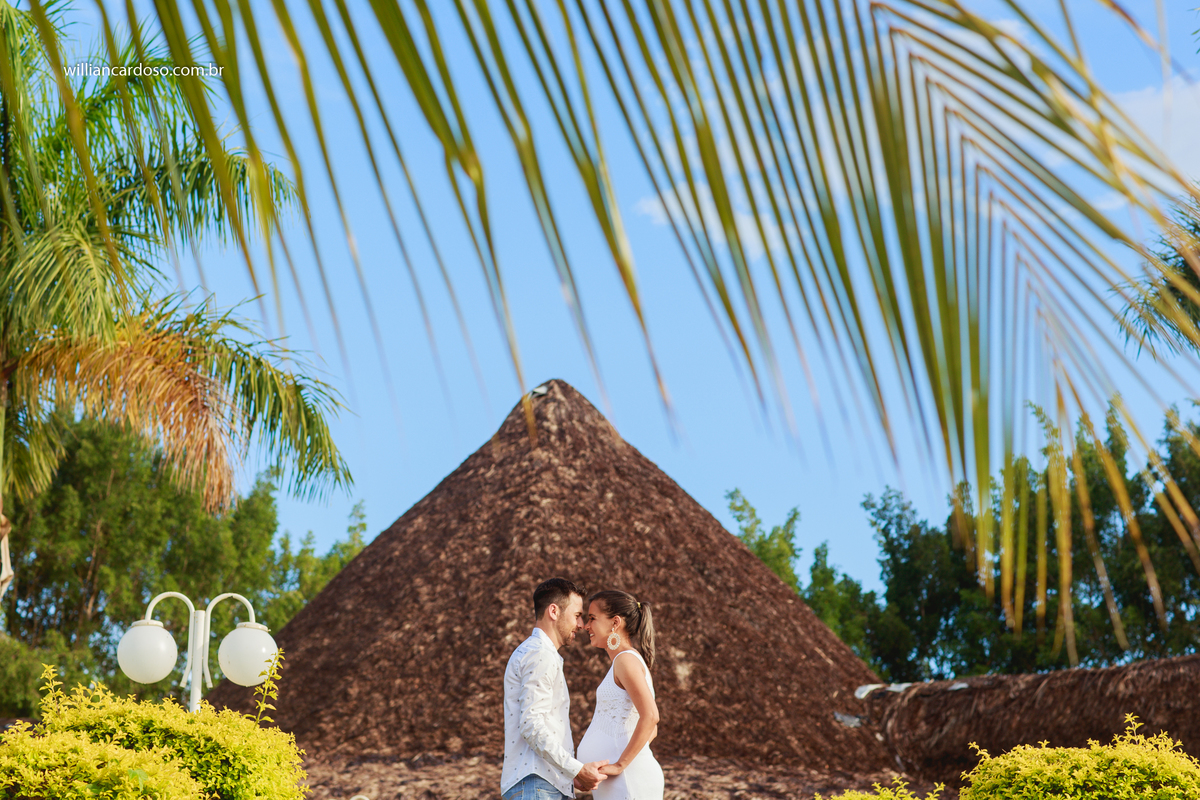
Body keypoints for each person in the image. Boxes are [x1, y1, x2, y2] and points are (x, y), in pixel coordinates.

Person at [502, 578, 610, 800]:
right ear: (554, 611)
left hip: (540, 784)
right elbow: (532, 725)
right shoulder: (540, 654)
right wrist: (576, 769)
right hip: (536, 785)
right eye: (577, 615)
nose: (581, 625)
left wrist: (570, 774)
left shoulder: (535, 652)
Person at [577, 590, 664, 800]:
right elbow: (651, 730)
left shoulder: (625, 660)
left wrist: (620, 764)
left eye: (592, 619)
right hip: (619, 783)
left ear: (615, 622)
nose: (586, 626)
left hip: (628, 781)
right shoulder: (623, 662)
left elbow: (651, 717)